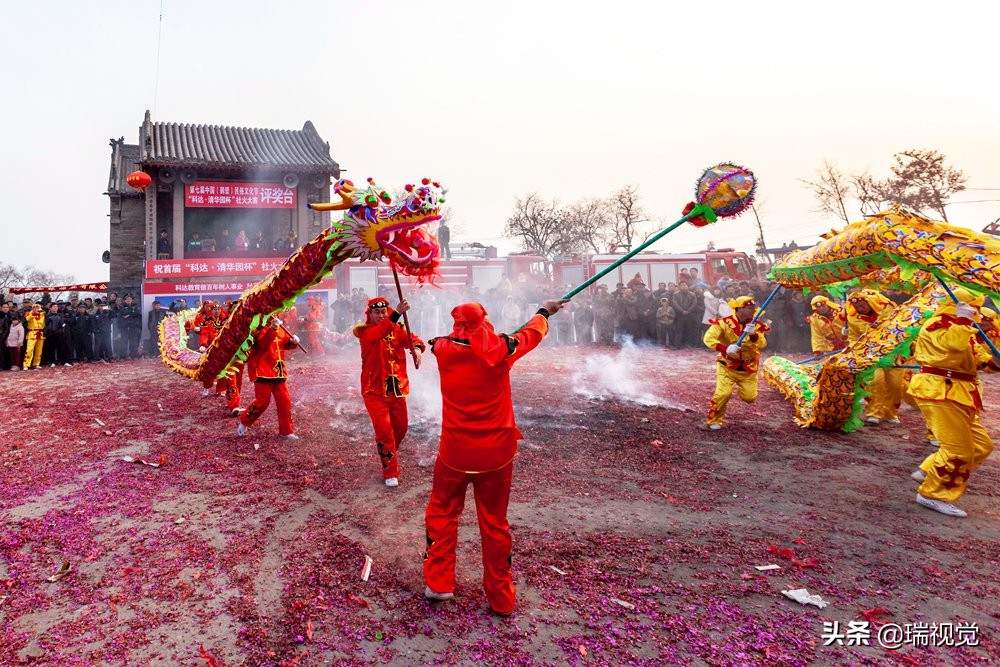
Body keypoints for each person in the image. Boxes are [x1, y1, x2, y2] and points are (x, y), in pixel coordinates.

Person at [423, 298, 567, 615]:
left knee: (442, 512)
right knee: (494, 523)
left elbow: (436, 343)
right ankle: (501, 598)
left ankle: (439, 583)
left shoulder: (443, 351)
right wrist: (544, 312)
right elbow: (533, 334)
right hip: (496, 455)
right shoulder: (504, 350)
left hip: (456, 452)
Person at [908, 289, 996, 518]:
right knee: (958, 450)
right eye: (973, 308)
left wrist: (995, 360)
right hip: (939, 390)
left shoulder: (963, 328)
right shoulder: (936, 324)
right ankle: (933, 494)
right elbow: (952, 346)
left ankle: (929, 470)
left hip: (961, 393)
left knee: (981, 447)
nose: (976, 313)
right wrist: (963, 320)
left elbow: (980, 360)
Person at [354, 297, 425, 487]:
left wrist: (417, 349)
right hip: (374, 392)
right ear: (369, 314)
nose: (381, 315)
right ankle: (390, 472)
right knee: (385, 433)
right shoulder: (366, 332)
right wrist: (396, 314)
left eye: (384, 312)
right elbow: (379, 332)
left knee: (400, 430)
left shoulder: (396, 327)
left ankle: (389, 453)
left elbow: (412, 339)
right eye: (376, 312)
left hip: (397, 390)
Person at [703, 296, 769, 430]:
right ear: (740, 309)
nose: (754, 310)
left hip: (748, 368)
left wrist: (753, 335)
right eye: (750, 308)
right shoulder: (724, 323)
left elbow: (762, 343)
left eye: (753, 308)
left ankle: (742, 388)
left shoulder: (756, 324)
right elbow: (708, 339)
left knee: (750, 398)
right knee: (723, 394)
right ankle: (714, 420)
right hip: (727, 365)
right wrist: (725, 348)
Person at [237, 315, 301, 439]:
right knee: (262, 403)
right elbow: (263, 344)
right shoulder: (257, 327)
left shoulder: (279, 325)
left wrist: (292, 342)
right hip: (263, 370)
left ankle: (287, 431)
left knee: (285, 401)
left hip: (278, 370)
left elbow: (283, 342)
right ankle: (244, 421)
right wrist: (272, 328)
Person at [845, 289, 900, 425]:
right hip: (871, 355)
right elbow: (853, 337)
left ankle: (890, 413)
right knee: (876, 381)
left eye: (862, 304)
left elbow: (901, 327)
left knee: (896, 385)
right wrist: (854, 349)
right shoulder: (853, 318)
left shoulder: (888, 309)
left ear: (870, 302)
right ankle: (873, 412)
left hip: (894, 353)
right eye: (856, 306)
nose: (860, 308)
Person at [22, 302, 45, 370]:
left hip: (40, 333)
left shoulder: (42, 315)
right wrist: (33, 314)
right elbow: (27, 319)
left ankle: (36, 363)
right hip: (32, 333)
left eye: (37, 308)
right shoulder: (29, 314)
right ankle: (26, 364)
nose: (36, 309)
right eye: (34, 308)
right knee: (29, 349)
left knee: (39, 350)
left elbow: (43, 324)